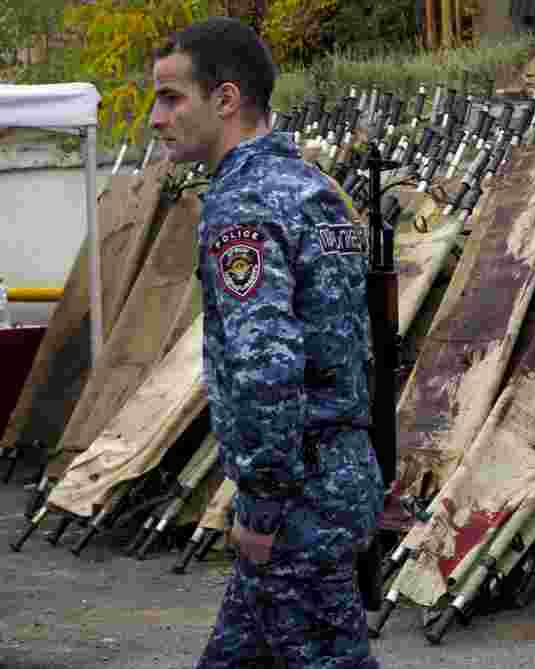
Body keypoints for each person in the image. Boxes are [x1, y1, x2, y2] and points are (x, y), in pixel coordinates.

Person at [149, 17, 384, 669]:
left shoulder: (244, 207)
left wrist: (261, 503)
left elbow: (267, 367)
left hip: (297, 502)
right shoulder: (317, 193)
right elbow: (348, 327)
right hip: (334, 474)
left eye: (172, 98)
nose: (155, 118)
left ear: (225, 100)